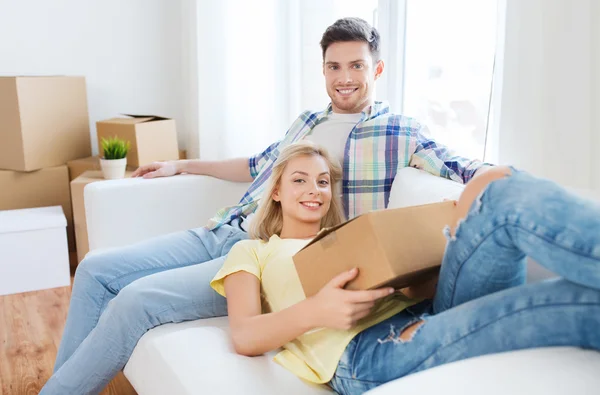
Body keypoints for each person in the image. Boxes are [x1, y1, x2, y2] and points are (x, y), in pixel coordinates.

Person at [42, 17, 490, 394]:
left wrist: (506, 178)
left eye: (356, 65)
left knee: (136, 301)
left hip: (270, 255)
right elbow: (257, 163)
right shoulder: (308, 121)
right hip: (227, 230)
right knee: (96, 270)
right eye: (334, 66)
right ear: (324, 70)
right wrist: (181, 165)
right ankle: (64, 383)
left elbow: (459, 165)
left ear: (377, 69)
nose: (344, 76)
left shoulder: (401, 131)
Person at [213, 140, 600, 395]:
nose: (315, 190)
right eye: (300, 180)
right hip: (367, 351)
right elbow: (245, 335)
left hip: (423, 311)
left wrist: (420, 265)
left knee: (498, 183)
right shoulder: (252, 250)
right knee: (572, 300)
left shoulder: (355, 236)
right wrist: (318, 310)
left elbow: (418, 290)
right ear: (277, 191)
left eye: (323, 181)